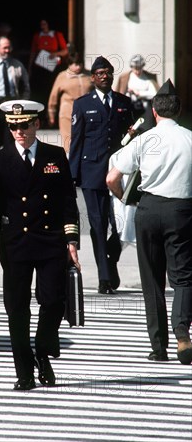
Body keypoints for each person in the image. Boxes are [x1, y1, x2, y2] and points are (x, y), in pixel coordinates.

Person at [0, 99, 80, 390]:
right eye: (13, 127)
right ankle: (24, 371)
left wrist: (71, 240)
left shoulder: (55, 155)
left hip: (50, 241)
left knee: (53, 302)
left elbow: (67, 203)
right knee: (18, 309)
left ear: (36, 124)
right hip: (16, 244)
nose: (18, 132)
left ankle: (43, 350)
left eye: (24, 125)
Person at [106, 80, 192, 365]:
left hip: (149, 208)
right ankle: (182, 329)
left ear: (155, 113)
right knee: (183, 277)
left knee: (152, 280)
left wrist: (127, 201)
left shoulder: (143, 139)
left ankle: (158, 347)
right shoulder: (190, 139)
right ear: (178, 111)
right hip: (181, 210)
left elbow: (112, 178)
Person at [69, 56, 134, 294]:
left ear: (112, 75)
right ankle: (105, 278)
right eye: (100, 73)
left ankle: (110, 259)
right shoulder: (82, 104)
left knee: (121, 225)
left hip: (119, 174)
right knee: (97, 225)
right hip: (92, 174)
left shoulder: (124, 102)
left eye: (108, 72)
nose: (104, 76)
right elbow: (76, 141)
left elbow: (132, 139)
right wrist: (72, 175)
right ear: (93, 78)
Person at [47, 53, 93, 153]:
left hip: (87, 112)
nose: (78, 67)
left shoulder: (89, 75)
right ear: (69, 64)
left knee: (86, 139)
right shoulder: (62, 76)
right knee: (70, 141)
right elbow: (54, 96)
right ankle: (70, 162)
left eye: (80, 64)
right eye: (75, 64)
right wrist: (51, 114)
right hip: (67, 113)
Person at [28, 19, 68, 120]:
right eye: (41, 24)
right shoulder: (37, 36)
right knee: (41, 91)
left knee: (53, 90)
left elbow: (65, 51)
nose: (43, 26)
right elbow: (33, 52)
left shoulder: (57, 34)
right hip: (40, 68)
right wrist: (30, 67)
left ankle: (52, 117)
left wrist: (55, 54)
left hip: (54, 67)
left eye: (44, 24)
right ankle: (41, 117)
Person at [114, 54, 159, 121]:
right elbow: (119, 94)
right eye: (135, 68)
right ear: (131, 67)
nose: (137, 71)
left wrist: (139, 93)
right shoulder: (124, 77)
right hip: (129, 109)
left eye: (140, 68)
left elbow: (154, 94)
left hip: (146, 109)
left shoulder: (149, 77)